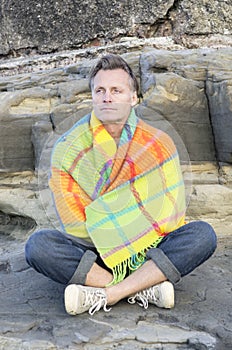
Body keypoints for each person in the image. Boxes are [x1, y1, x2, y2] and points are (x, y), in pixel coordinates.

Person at [25, 54, 217, 316]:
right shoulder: (68, 148)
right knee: (39, 246)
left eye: (116, 90)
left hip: (150, 244)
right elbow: (72, 220)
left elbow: (170, 213)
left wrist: (133, 233)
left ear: (133, 97)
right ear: (92, 97)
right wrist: (115, 234)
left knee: (202, 235)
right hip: (97, 248)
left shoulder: (159, 143)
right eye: (100, 90)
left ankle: (107, 293)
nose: (107, 97)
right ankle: (142, 288)